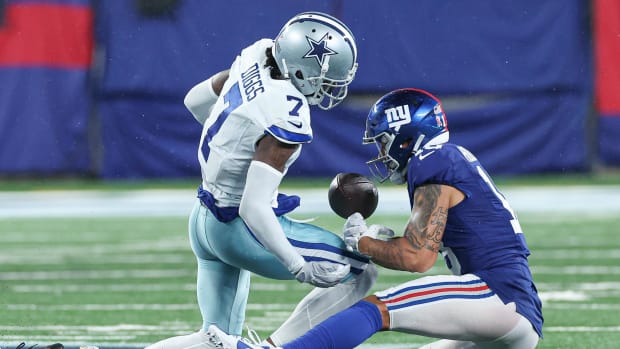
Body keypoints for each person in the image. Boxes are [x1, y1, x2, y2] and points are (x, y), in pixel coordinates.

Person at [206, 88, 544, 349]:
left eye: (384, 142)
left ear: (407, 137)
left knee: (374, 310)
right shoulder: (448, 158)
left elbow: (416, 256)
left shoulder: (433, 160)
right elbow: (418, 246)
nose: (382, 153)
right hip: (514, 311)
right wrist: (377, 243)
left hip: (495, 294)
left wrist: (361, 241)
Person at [145, 12, 378, 349]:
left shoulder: (259, 54)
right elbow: (253, 207)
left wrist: (232, 147)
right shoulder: (287, 111)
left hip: (202, 217)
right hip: (237, 228)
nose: (331, 88)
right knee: (360, 270)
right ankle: (273, 348)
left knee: (214, 340)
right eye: (328, 79)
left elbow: (194, 101)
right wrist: (298, 266)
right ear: (302, 68)